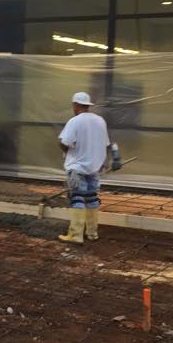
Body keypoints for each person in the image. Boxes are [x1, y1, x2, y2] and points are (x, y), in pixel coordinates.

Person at [58, 91, 119, 244]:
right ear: (88, 105)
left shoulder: (75, 121)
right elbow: (106, 143)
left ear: (75, 105)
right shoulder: (100, 121)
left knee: (77, 198)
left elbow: (64, 142)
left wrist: (67, 152)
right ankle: (92, 233)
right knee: (92, 198)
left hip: (77, 167)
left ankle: (75, 235)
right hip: (94, 168)